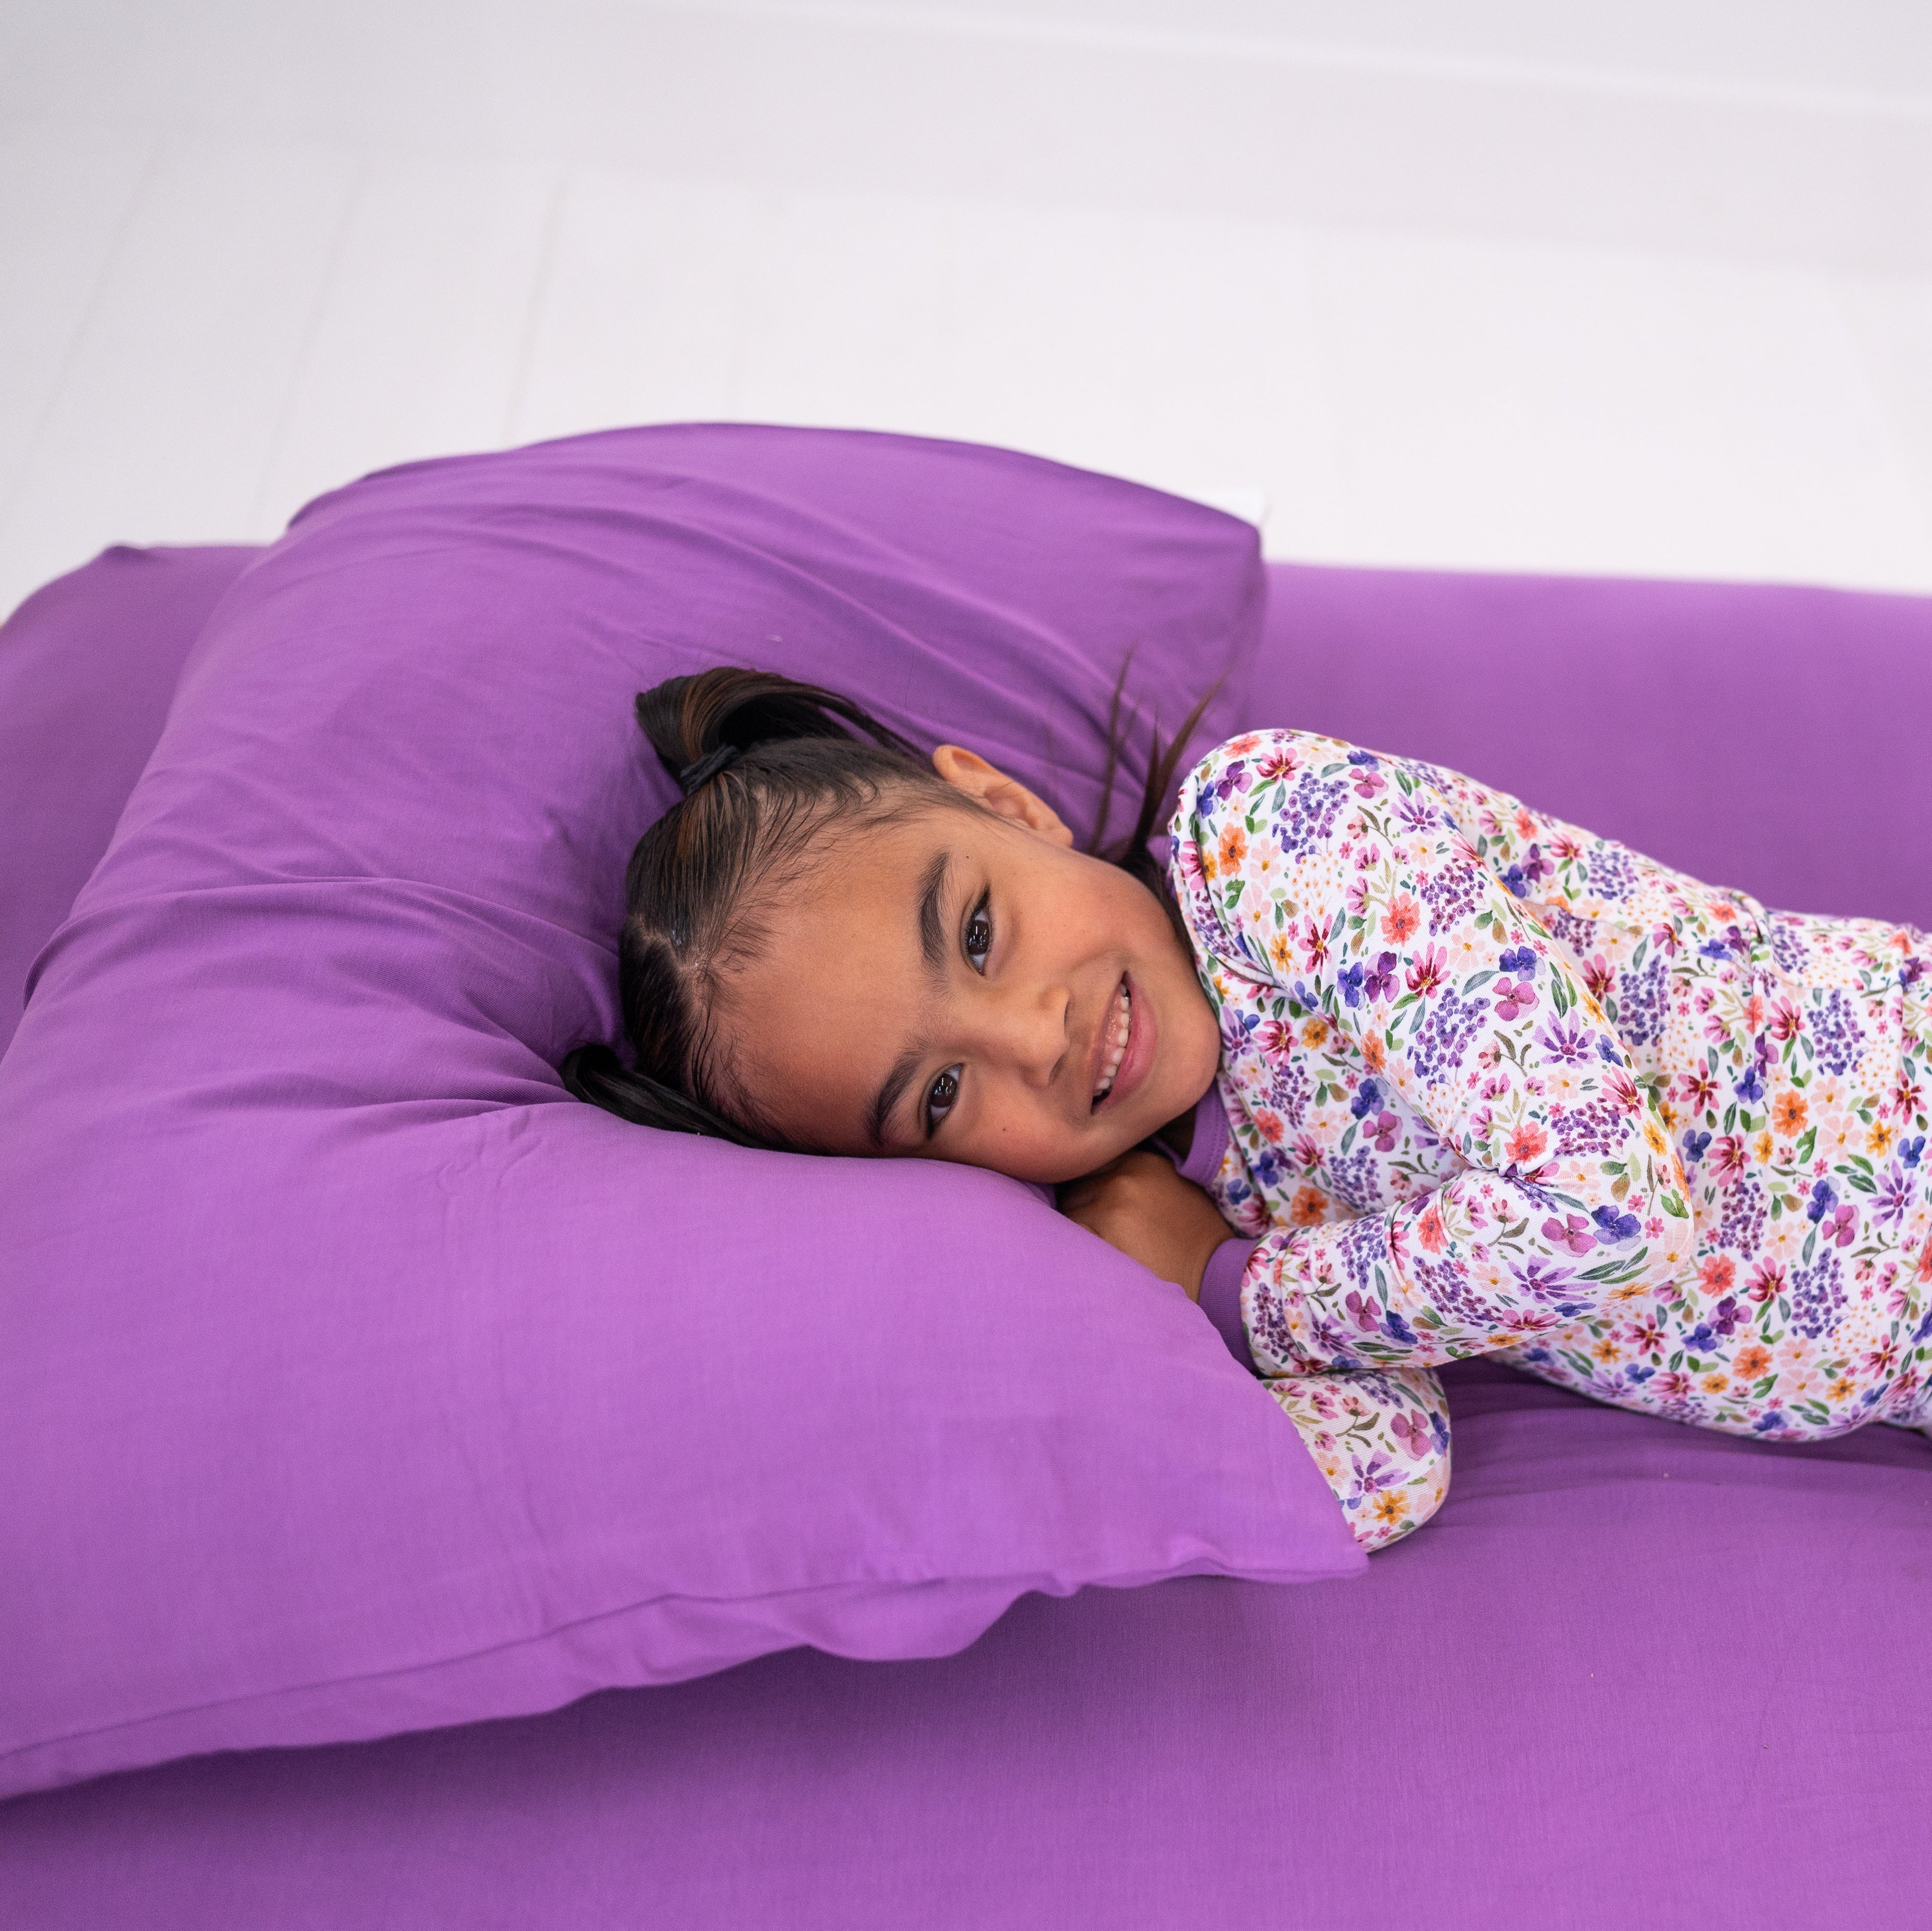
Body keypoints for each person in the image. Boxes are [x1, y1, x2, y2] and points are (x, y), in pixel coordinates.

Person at [562, 667, 1932, 1549]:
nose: (1031, 1037)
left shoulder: (1275, 840)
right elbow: (1391, 1468)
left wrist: (1238, 1294)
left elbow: (1607, 1215)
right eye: (936, 1094)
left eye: (978, 930)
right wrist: (1125, 1352)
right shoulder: (1193, 1195)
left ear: (1003, 803)